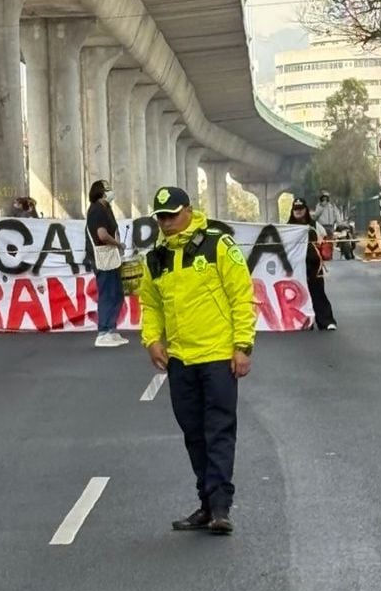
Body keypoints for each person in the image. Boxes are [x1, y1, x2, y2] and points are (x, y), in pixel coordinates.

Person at [138, 186, 255, 535]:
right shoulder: (156, 257)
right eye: (160, 217)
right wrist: (151, 340)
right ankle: (206, 504)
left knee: (218, 431)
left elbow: (241, 294)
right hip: (180, 360)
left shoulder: (218, 244)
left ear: (189, 211)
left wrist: (243, 346)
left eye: (172, 215)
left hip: (218, 356)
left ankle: (220, 507)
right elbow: (150, 304)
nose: (166, 222)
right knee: (194, 433)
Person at [86, 179, 127, 348]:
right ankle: (103, 331)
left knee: (117, 292)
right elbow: (102, 235)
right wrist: (118, 244)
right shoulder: (97, 210)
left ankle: (111, 328)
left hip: (111, 257)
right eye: (108, 188)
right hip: (103, 257)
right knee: (108, 293)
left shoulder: (106, 209)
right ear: (101, 192)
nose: (111, 192)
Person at [288, 197, 337, 331]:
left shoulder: (315, 226)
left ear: (305, 210)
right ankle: (301, 322)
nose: (298, 212)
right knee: (297, 295)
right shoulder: (287, 228)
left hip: (314, 266)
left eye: (301, 209)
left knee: (318, 293)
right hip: (295, 268)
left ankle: (326, 321)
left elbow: (324, 240)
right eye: (295, 209)